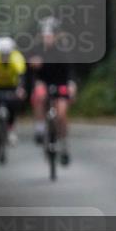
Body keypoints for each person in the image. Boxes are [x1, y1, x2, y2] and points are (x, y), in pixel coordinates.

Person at [29, 17, 77, 164]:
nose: (48, 38)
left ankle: (64, 145)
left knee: (61, 114)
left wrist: (71, 84)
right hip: (43, 82)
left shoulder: (64, 49)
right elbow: (28, 71)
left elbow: (70, 69)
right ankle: (40, 128)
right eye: (45, 35)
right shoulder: (36, 49)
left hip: (61, 83)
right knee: (40, 95)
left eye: (50, 35)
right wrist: (33, 65)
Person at [0, 36, 27, 147]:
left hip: (12, 86)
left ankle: (11, 130)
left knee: (14, 105)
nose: (5, 56)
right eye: (2, 54)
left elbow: (21, 74)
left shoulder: (16, 57)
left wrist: (20, 88)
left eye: (7, 54)